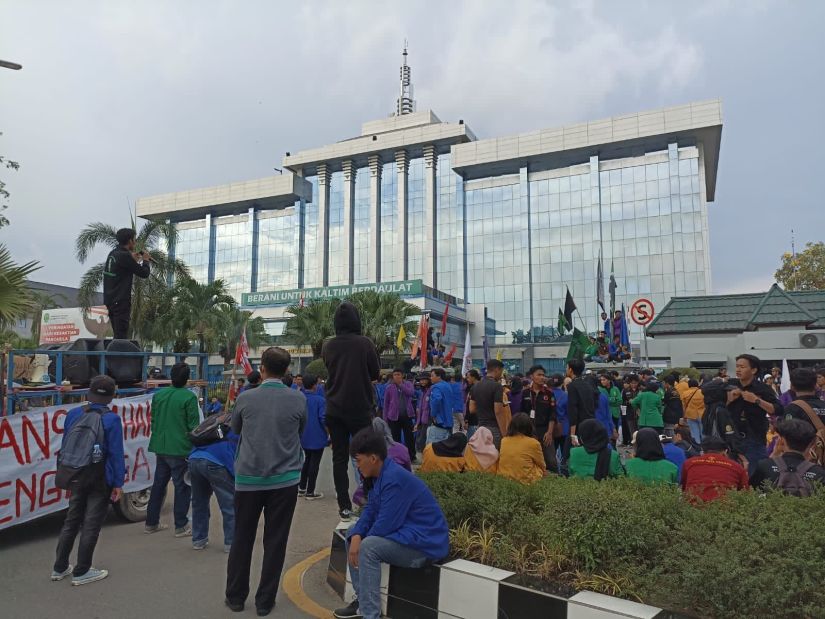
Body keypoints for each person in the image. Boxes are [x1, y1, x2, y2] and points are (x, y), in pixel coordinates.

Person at [334, 428, 449, 619]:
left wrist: (361, 541)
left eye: (358, 460)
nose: (357, 465)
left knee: (368, 546)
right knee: (352, 532)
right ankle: (362, 602)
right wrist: (356, 536)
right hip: (408, 536)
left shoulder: (394, 478)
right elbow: (371, 509)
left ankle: (371, 614)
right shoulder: (379, 474)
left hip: (425, 546)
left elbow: (386, 525)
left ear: (373, 458)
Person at [225, 347, 306, 616]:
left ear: (263, 368)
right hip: (285, 481)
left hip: (248, 479)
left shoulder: (246, 398)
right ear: (286, 370)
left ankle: (235, 597)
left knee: (242, 537)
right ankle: (264, 601)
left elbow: (235, 429)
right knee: (276, 541)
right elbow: (300, 430)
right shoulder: (298, 399)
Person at [51, 375, 124, 586]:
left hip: (74, 474)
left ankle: (60, 567)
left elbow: (65, 447)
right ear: (111, 397)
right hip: (100, 478)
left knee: (71, 520)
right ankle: (82, 571)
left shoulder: (73, 414)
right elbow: (116, 454)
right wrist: (118, 483)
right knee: (91, 523)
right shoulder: (112, 419)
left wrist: (65, 476)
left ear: (89, 393)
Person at [322, 302, 381, 520]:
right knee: (365, 455)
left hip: (334, 408)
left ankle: (344, 506)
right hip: (360, 407)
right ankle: (367, 498)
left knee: (339, 457)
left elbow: (330, 368)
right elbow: (374, 372)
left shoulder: (328, 345)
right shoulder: (364, 344)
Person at [145, 362, 200, 537]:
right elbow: (194, 426)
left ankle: (151, 523)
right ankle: (181, 525)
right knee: (182, 486)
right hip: (180, 448)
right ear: (187, 378)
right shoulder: (188, 397)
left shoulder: (159, 395)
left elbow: (153, 420)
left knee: (158, 485)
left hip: (160, 446)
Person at [726, 354, 782, 476]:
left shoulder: (763, 388)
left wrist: (757, 400)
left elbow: (778, 409)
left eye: (742, 367)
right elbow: (715, 406)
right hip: (731, 436)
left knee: (755, 474)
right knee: (730, 473)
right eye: (737, 367)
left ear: (753, 370)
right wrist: (729, 400)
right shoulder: (729, 385)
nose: (738, 370)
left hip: (754, 437)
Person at [189, 416, 239, 552]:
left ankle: (198, 540)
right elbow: (234, 454)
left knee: (199, 502)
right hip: (216, 462)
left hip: (194, 459)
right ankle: (231, 543)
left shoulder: (216, 421)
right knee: (229, 505)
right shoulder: (237, 426)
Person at [750, 419, 825, 495]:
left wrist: (774, 454)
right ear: (811, 445)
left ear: (781, 441)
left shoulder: (764, 466)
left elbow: (751, 493)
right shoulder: (819, 472)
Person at [102, 227, 151, 339]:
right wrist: (146, 260)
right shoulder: (124, 256)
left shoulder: (113, 253)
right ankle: (118, 356)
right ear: (130, 241)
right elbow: (144, 273)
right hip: (120, 301)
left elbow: (122, 267)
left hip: (110, 301)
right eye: (134, 239)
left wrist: (131, 258)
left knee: (118, 334)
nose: (135, 242)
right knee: (121, 336)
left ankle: (114, 355)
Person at [352, 418, 412, 508]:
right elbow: (408, 470)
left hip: (381, 491)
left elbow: (365, 476)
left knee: (359, 495)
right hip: (402, 489)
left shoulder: (371, 451)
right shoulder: (401, 448)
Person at [681, 436, 749, 503]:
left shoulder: (689, 463)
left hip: (692, 510)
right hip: (725, 511)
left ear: (702, 450)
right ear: (725, 451)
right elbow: (745, 495)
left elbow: (683, 488)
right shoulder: (737, 467)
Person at [521, 365, 557, 470]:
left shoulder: (549, 393)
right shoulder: (525, 393)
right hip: (529, 432)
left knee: (551, 461)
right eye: (539, 375)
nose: (542, 377)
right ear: (532, 376)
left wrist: (550, 432)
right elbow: (522, 414)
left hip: (545, 430)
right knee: (531, 460)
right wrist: (527, 432)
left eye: (543, 375)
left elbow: (553, 414)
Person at [298, 373, 327, 501]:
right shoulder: (320, 400)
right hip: (317, 435)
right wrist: (329, 432)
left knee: (306, 461)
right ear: (315, 385)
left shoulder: (299, 398)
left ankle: (302, 487)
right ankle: (310, 491)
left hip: (303, 435)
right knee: (314, 463)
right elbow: (323, 418)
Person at [497, 413, 546, 484]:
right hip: (525, 481)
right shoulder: (534, 443)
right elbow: (542, 465)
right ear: (529, 427)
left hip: (504, 479)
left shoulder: (504, 440)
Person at [469, 359, 506, 447]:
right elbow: (498, 412)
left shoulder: (475, 386)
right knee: (495, 457)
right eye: (501, 371)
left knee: (483, 457)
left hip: (480, 428)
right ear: (497, 370)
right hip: (494, 429)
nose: (501, 375)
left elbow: (472, 409)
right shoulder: (497, 386)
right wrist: (504, 433)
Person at [383, 368, 416, 461]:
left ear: (402, 375)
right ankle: (396, 457)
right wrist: (385, 419)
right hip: (393, 417)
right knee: (394, 438)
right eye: (395, 375)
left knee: (409, 437)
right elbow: (386, 404)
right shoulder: (389, 387)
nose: (396, 376)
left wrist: (401, 385)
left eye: (398, 374)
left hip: (407, 415)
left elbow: (411, 393)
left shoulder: (408, 384)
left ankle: (412, 456)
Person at [566, 359, 597, 447]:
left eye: (567, 367)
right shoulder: (588, 384)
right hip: (591, 423)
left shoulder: (572, 386)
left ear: (571, 370)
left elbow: (573, 410)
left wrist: (572, 435)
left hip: (579, 427)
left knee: (569, 455)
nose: (566, 369)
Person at [427, 368, 454, 445]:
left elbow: (436, 400)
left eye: (432, 376)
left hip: (440, 421)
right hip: (448, 420)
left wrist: (433, 414)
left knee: (434, 448)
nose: (430, 378)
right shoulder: (448, 385)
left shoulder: (436, 387)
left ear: (439, 376)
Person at [550, 373, 569, 474]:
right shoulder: (566, 396)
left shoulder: (547, 394)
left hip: (551, 428)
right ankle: (564, 472)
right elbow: (569, 412)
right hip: (564, 428)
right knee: (565, 453)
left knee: (551, 452)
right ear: (562, 383)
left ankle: (553, 472)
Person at [680, 379, 705, 445]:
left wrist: (684, 416)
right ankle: (705, 447)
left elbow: (684, 406)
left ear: (689, 385)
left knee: (694, 433)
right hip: (702, 414)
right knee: (703, 432)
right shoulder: (702, 392)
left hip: (690, 415)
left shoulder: (685, 393)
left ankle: (697, 447)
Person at [414, 373, 433, 454]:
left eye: (424, 380)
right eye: (421, 380)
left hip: (428, 419)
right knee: (420, 438)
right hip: (421, 419)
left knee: (423, 439)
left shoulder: (431, 390)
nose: (422, 382)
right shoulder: (423, 391)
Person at [621, 374, 641, 446]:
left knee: (639, 430)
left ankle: (640, 444)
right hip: (629, 413)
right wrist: (628, 402)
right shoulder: (625, 391)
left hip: (639, 414)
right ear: (629, 383)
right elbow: (622, 402)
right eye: (632, 383)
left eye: (635, 383)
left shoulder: (641, 391)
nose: (634, 384)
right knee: (632, 430)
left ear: (638, 383)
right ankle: (634, 445)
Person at [463, 369, 481, 439]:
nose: (467, 379)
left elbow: (470, 406)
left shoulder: (474, 388)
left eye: (468, 377)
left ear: (474, 377)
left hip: (474, 420)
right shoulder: (476, 387)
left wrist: (466, 420)